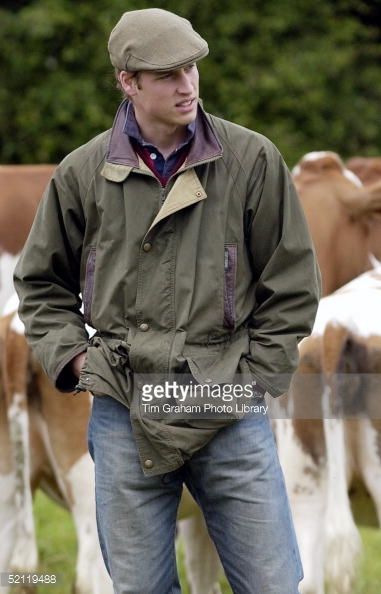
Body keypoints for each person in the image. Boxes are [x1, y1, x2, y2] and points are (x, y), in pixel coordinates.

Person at [14, 8, 321, 594]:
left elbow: (293, 284)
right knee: (139, 588)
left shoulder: (251, 161)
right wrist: (80, 362)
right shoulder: (83, 173)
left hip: (228, 403)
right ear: (129, 82)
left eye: (192, 70)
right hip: (123, 408)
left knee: (274, 583)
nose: (188, 86)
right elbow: (40, 285)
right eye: (169, 75)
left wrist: (254, 379)